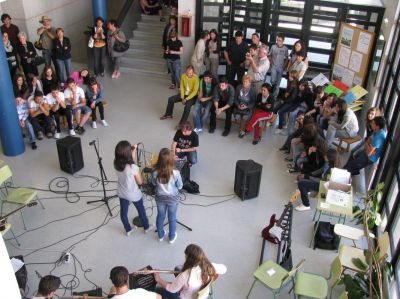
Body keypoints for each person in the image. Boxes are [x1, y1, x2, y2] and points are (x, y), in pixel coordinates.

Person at [154, 244, 227, 299]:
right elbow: (224, 269)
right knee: (177, 268)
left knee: (157, 289)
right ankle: (181, 284)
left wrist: (158, 279)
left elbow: (171, 289)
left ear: (189, 259)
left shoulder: (185, 275)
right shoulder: (209, 266)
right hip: (203, 295)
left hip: (185, 297)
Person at [114, 141, 154, 236]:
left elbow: (129, 161)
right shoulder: (133, 167)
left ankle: (128, 230)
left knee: (123, 212)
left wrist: (134, 150)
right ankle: (146, 227)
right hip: (133, 194)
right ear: (127, 153)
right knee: (141, 210)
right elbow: (140, 182)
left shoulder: (116, 163)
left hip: (122, 192)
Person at [151, 148, 183, 244]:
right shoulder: (176, 173)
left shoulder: (154, 171)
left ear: (159, 159)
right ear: (171, 160)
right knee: (172, 217)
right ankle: (171, 237)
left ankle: (160, 235)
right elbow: (180, 186)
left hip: (160, 197)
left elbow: (153, 183)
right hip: (173, 198)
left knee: (160, 216)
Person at [268, 33, 289, 99]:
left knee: (278, 83)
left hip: (280, 67)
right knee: (272, 80)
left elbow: (287, 58)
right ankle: (273, 89)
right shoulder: (273, 47)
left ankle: (274, 97)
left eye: (280, 40)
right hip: (274, 66)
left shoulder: (285, 48)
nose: (278, 42)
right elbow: (270, 55)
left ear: (283, 41)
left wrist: (284, 66)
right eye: (277, 40)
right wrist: (271, 64)